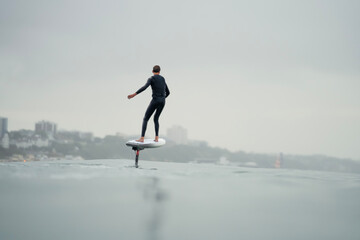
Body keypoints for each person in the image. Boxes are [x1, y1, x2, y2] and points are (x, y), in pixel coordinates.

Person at [128, 65, 170, 142]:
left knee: (146, 118)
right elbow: (168, 92)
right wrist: (162, 98)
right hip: (163, 101)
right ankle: (156, 137)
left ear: (152, 71)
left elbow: (145, 87)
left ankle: (142, 138)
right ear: (159, 71)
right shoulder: (163, 79)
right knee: (156, 118)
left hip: (155, 100)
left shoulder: (151, 78)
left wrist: (134, 94)